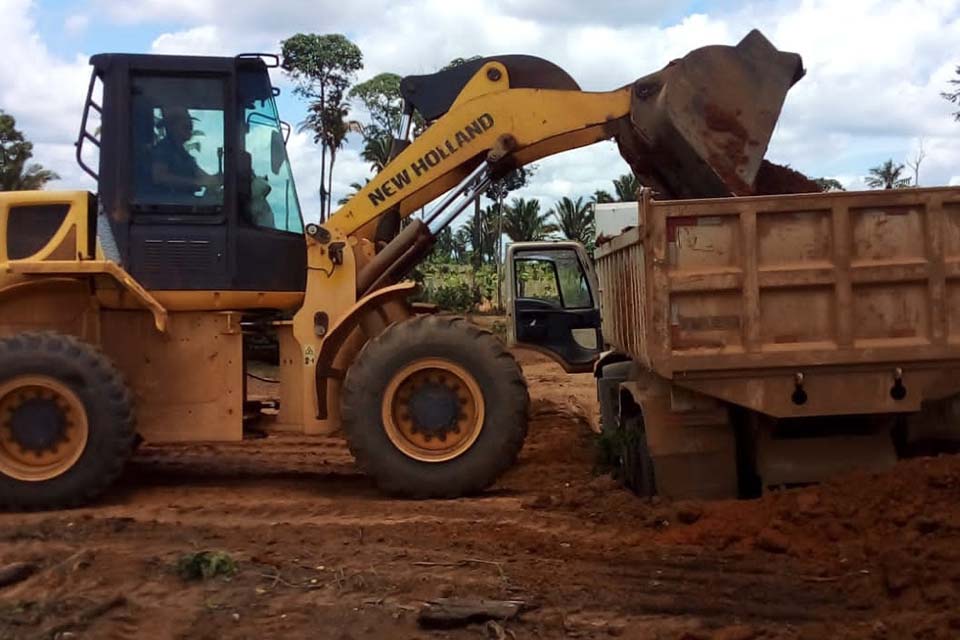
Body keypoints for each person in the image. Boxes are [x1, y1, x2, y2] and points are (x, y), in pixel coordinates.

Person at [151, 107, 220, 199]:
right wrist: (196, 182)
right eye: (185, 126)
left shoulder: (183, 153)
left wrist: (216, 180)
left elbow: (200, 174)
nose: (190, 128)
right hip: (171, 202)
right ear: (172, 127)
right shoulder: (163, 148)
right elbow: (159, 177)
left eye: (190, 125)